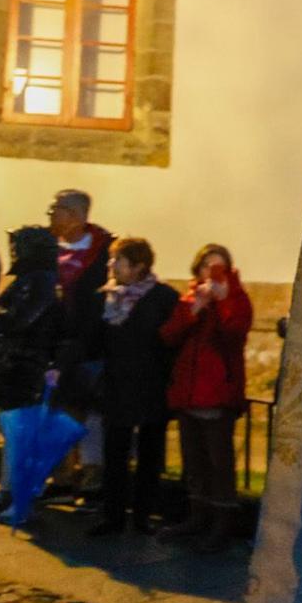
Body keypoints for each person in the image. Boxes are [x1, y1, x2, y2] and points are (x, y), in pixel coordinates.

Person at [0, 226, 65, 520]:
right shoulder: (33, 280)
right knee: (15, 433)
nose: (14, 252)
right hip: (18, 367)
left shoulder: (40, 281)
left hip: (25, 367)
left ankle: (16, 495)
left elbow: (16, 322)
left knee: (20, 435)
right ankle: (10, 493)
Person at [157, 243, 253, 551]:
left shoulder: (237, 300)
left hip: (218, 395)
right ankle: (197, 517)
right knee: (194, 461)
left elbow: (234, 335)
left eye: (218, 267)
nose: (210, 274)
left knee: (219, 463)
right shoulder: (190, 299)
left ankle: (221, 525)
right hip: (189, 394)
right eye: (206, 267)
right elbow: (168, 336)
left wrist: (223, 303)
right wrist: (193, 310)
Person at [89, 237, 179, 536]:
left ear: (139, 266)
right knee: (114, 453)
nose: (111, 265)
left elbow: (171, 342)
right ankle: (112, 515)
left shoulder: (164, 297)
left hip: (151, 385)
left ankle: (143, 516)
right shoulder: (109, 297)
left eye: (118, 260)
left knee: (150, 456)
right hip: (116, 385)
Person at [49, 189, 113, 495]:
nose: (51, 215)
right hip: (55, 346)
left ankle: (92, 477)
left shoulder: (104, 251)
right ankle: (60, 476)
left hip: (91, 346)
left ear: (75, 215)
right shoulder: (47, 249)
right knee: (57, 411)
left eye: (56, 209)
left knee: (90, 415)